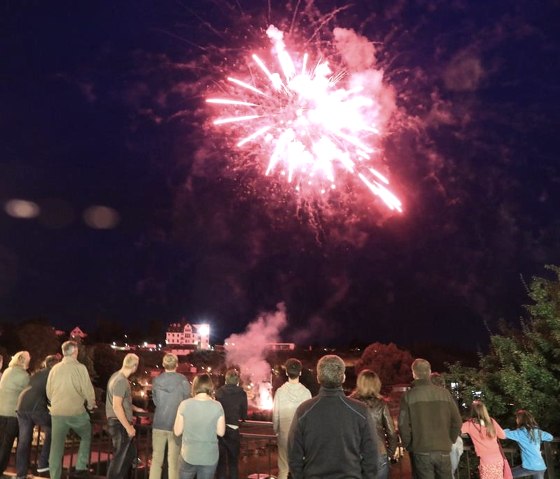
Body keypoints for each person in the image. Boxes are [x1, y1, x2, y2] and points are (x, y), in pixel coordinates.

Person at [288, 354, 379, 479]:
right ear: (343, 378)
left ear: (318, 378)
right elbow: (372, 455)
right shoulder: (360, 411)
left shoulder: (304, 410)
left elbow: (294, 455)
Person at [398, 358, 462, 479]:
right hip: (443, 449)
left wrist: (410, 445)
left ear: (414, 373)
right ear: (429, 372)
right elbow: (457, 422)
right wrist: (449, 440)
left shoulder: (408, 396)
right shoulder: (444, 394)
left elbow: (402, 425)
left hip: (421, 449)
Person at [47, 340, 96, 479]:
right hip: (76, 412)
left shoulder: (55, 369)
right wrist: (91, 406)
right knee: (86, 434)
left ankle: (54, 476)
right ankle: (81, 466)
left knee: (56, 447)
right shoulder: (80, 368)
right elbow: (88, 390)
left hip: (57, 412)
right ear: (75, 352)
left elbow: (49, 391)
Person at [16, 354, 60, 479]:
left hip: (21, 406)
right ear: (55, 365)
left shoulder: (37, 373)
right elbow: (53, 394)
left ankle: (21, 473)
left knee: (23, 441)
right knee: (54, 427)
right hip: (36, 408)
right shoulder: (53, 374)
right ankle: (43, 462)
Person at [173, 373, 225, 479]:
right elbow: (221, 432)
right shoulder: (217, 406)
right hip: (209, 456)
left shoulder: (184, 404)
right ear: (210, 386)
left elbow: (177, 431)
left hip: (189, 454)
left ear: (195, 386)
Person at [351, 369, 398, 479]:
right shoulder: (381, 404)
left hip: (356, 454)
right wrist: (389, 453)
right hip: (379, 452)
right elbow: (391, 432)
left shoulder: (350, 403)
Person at [149, 353, 191, 479]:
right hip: (175, 425)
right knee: (173, 462)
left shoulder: (156, 380)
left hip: (158, 423)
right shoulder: (183, 380)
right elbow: (186, 402)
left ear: (163, 364)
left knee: (156, 461)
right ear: (177, 365)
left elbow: (156, 402)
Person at [106, 353, 146, 479]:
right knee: (119, 459)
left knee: (129, 455)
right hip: (120, 424)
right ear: (134, 366)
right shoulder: (121, 381)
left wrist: (135, 408)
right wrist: (128, 427)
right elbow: (117, 406)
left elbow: (121, 402)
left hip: (116, 422)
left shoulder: (115, 376)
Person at [273, 359, 311, 479]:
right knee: (299, 469)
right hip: (300, 437)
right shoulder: (306, 393)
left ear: (286, 373)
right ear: (300, 373)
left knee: (284, 468)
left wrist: (277, 431)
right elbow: (308, 418)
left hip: (284, 435)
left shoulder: (280, 392)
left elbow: (276, 416)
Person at [0, 351, 31, 478]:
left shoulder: (7, 371)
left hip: (1, 411)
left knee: (2, 443)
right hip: (13, 414)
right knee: (10, 444)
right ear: (24, 361)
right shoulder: (24, 376)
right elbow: (28, 394)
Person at [215, 368, 248, 479]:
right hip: (233, 429)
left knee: (221, 464)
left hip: (220, 431)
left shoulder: (219, 392)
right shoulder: (242, 393)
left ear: (226, 380)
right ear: (237, 381)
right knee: (233, 464)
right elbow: (244, 414)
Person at [461, 400, 506, 479]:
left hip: (486, 460)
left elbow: (455, 430)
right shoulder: (491, 421)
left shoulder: (469, 424)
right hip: (498, 459)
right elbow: (502, 436)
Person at [431, 373, 464, 478]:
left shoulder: (426, 400)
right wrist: (452, 439)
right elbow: (457, 421)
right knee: (449, 473)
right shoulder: (450, 398)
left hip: (433, 442)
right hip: (450, 442)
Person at [504, 410, 553, 479]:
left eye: (517, 418)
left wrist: (507, 430)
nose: (516, 420)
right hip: (541, 467)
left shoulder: (520, 433)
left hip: (529, 467)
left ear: (520, 420)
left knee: (506, 475)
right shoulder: (538, 432)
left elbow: (503, 434)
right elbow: (550, 437)